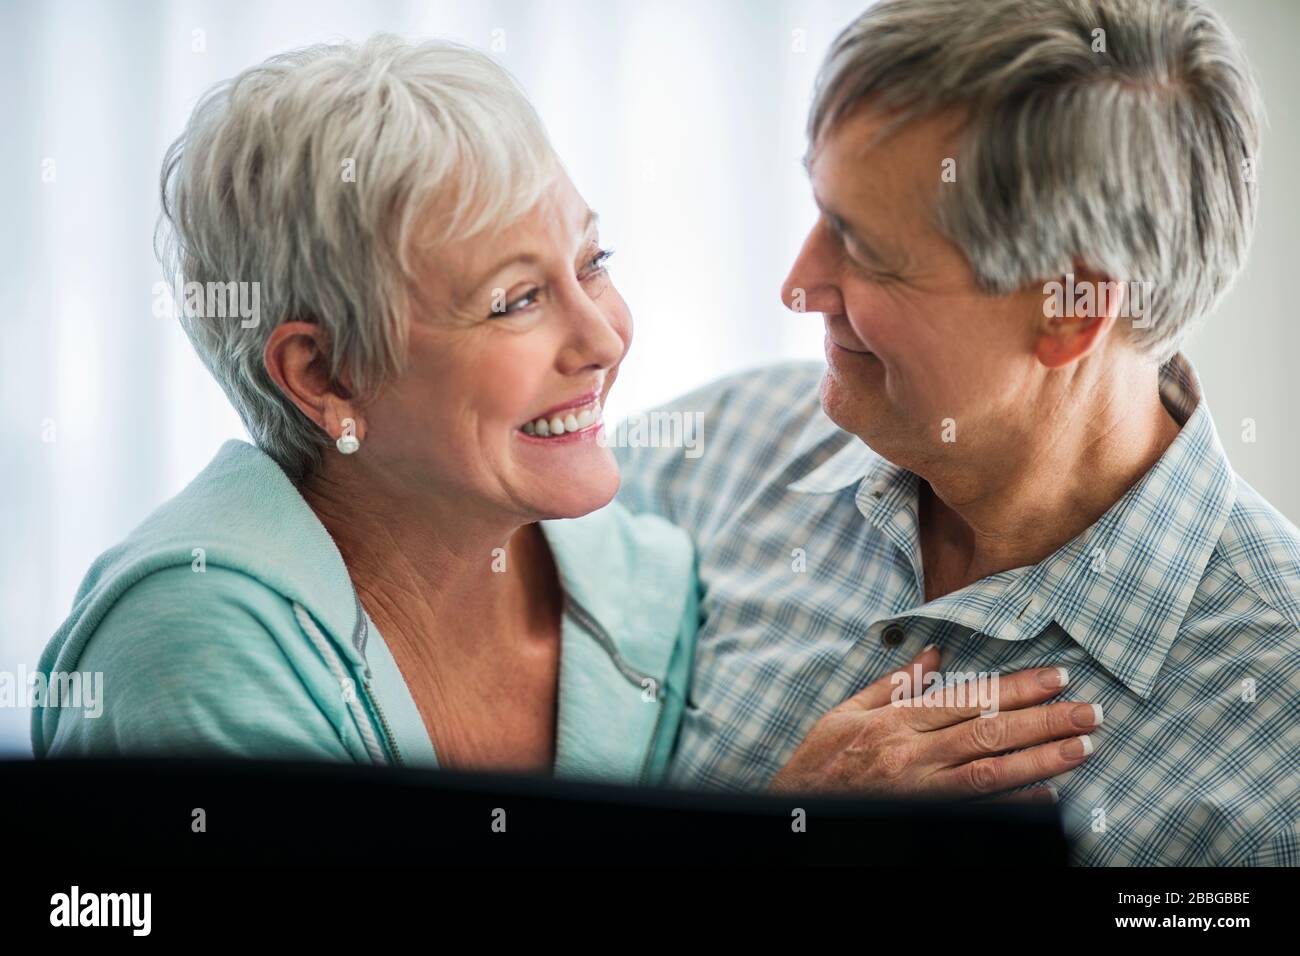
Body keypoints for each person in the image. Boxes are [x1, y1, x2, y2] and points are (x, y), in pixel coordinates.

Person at [32, 35, 1092, 799]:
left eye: (593, 262)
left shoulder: (653, 586)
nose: (602, 338)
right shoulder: (193, 638)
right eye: (516, 300)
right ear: (324, 376)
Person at [615, 0, 1299, 864]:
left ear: (1068, 310)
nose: (798, 285)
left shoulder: (1279, 735)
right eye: (822, 210)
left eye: (864, 249)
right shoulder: (717, 451)